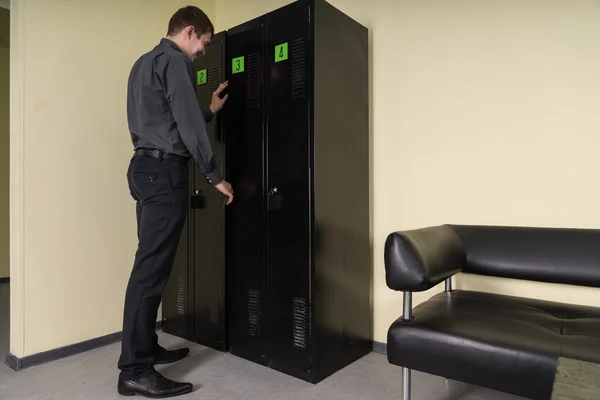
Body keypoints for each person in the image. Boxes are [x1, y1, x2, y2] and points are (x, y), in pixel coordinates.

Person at [117, 6, 232, 398]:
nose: (201, 53)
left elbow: (166, 118)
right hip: (165, 174)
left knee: (150, 266)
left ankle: (145, 347)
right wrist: (214, 175)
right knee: (149, 272)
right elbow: (183, 123)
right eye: (202, 44)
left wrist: (210, 110)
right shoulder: (174, 61)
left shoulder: (142, 63)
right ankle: (134, 369)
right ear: (188, 32)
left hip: (143, 169)